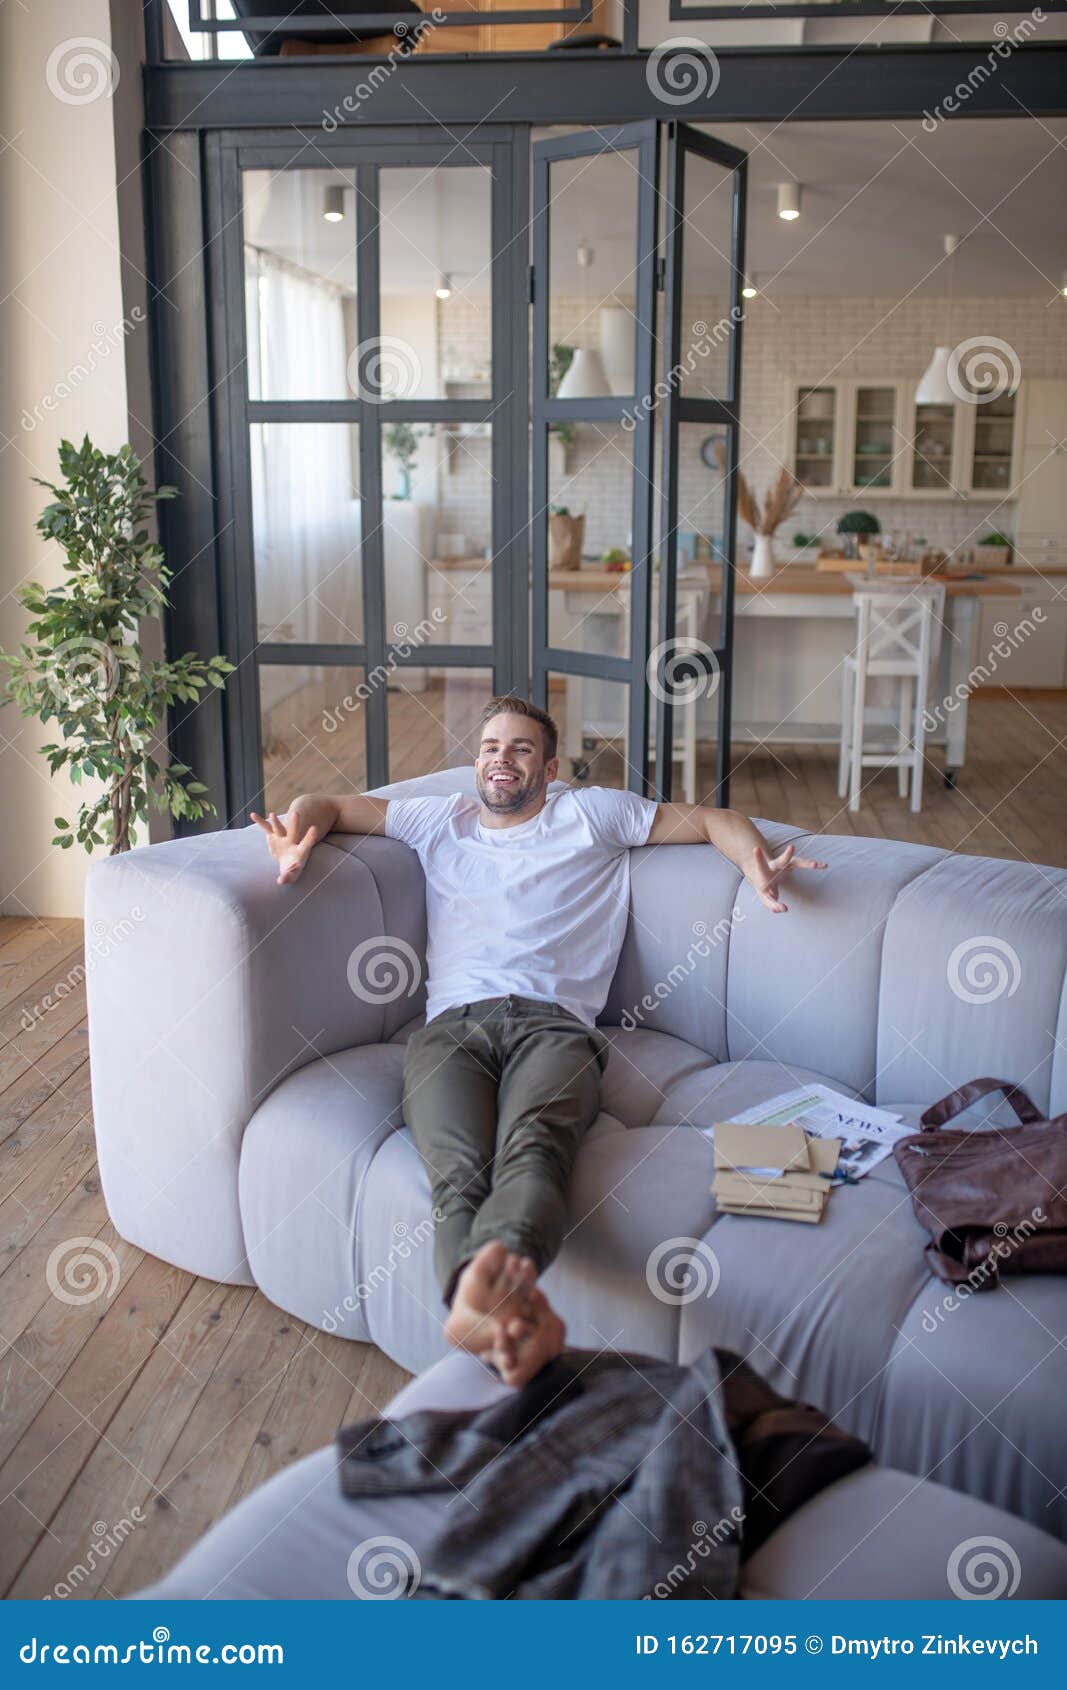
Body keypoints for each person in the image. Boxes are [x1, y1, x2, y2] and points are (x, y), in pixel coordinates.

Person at [252, 695, 826, 1386]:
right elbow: (326, 802)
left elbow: (712, 818)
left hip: (553, 1029)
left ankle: (483, 1296)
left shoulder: (591, 815)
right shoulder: (439, 819)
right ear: (476, 761)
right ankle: (491, 1300)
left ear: (549, 768)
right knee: (457, 1167)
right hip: (450, 1033)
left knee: (534, 1148)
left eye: (521, 749)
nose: (502, 759)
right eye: (491, 746)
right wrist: (295, 836)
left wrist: (752, 863)